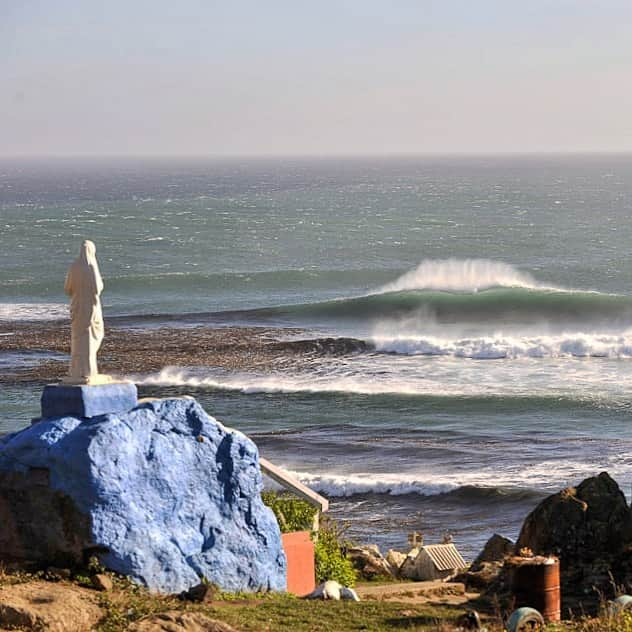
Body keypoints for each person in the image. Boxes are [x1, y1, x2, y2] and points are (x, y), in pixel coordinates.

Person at [64, 240, 105, 381]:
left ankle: (75, 371)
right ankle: (88, 371)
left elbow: (67, 288)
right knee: (91, 338)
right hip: (91, 308)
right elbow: (98, 288)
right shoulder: (91, 267)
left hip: (76, 307)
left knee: (78, 340)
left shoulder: (74, 266)